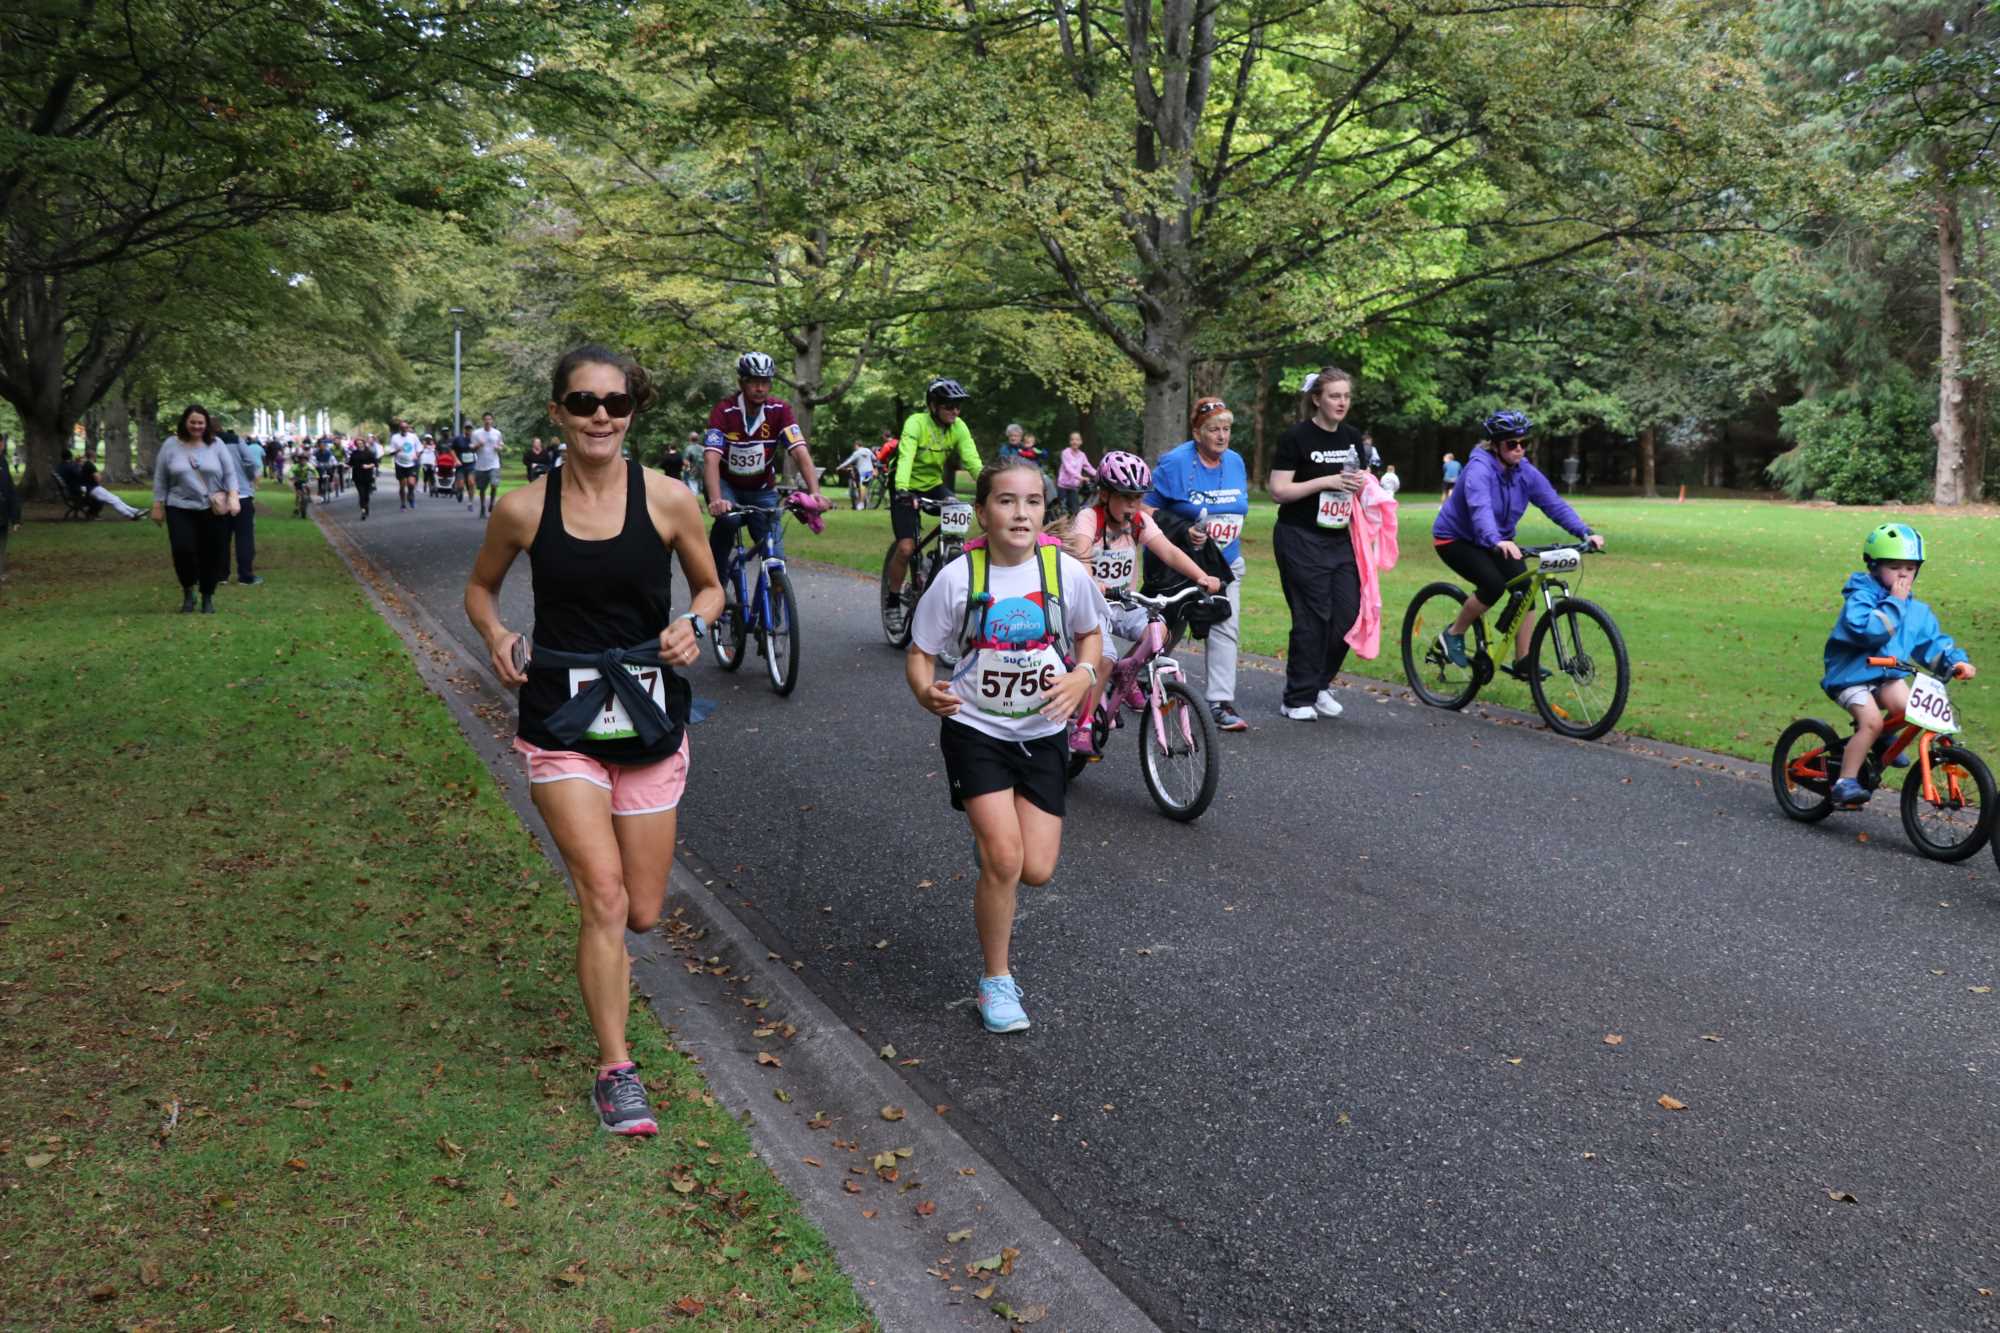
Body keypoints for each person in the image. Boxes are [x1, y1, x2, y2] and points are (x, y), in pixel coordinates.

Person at [466, 343, 724, 1137]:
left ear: (633, 412)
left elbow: (711, 588)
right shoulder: (523, 509)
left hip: (647, 713)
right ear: (558, 412)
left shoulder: (672, 500)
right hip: (561, 717)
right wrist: (499, 633)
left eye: (614, 403)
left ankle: (614, 1017)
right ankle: (617, 1070)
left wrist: (693, 624)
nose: (600, 416)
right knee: (603, 895)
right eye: (583, 402)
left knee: (643, 909)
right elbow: (481, 588)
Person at [906, 458, 1106, 1034]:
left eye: (1033, 501)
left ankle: (1000, 856)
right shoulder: (958, 577)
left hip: (1043, 733)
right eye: (1006, 501)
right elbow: (921, 651)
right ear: (983, 512)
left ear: (1045, 511)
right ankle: (996, 980)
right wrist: (926, 691)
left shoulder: (1064, 572)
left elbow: (1093, 634)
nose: (1020, 512)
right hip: (977, 730)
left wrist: (1083, 677)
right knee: (1005, 859)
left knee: (1036, 869)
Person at [1063, 450, 1220, 754]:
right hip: (1091, 605)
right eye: (1126, 497)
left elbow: (1170, 552)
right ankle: (1082, 726)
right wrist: (1093, 581)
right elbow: (1081, 554)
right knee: (1104, 658)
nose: (1135, 504)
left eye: (1139, 497)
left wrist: (1203, 576)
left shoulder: (1138, 521)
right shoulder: (1089, 518)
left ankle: (1129, 672)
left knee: (1159, 632)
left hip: (1125, 603)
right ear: (1105, 494)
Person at [1431, 410, 1603, 678]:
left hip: (1496, 540)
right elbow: (1480, 508)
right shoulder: (1479, 469)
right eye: (1512, 444)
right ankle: (1453, 634)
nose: (1519, 449)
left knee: (1525, 588)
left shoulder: (1525, 472)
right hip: (1455, 538)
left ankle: (1524, 661)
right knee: (1492, 586)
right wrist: (1496, 539)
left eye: (1524, 443)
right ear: (1495, 445)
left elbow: (1553, 504)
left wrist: (1585, 532)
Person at [1821, 523, 1976, 808]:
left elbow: (1931, 643)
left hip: (1887, 675)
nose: (1903, 574)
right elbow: (1868, 631)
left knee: (1911, 711)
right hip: (1851, 675)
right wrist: (1895, 601)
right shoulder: (1861, 597)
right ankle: (1845, 781)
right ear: (1875, 566)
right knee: (1872, 722)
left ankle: (1882, 742)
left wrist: (1955, 662)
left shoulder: (1914, 609)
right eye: (1894, 567)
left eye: (1910, 567)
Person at [1267, 368, 1374, 721]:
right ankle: (1297, 697)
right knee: (1312, 616)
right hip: (1299, 537)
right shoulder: (1297, 437)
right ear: (1317, 398)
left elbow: (1356, 484)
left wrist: (1364, 486)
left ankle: (1319, 684)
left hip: (1339, 537)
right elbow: (1278, 491)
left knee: (1348, 615)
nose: (1341, 402)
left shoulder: (1352, 436)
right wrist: (1325, 480)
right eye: (1334, 395)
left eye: (1346, 396)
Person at [1146, 396, 1253, 731]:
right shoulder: (1174, 463)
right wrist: (1182, 530)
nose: (1221, 436)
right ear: (1196, 432)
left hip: (1224, 564)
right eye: (1213, 430)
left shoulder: (1235, 462)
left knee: (1225, 625)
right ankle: (1140, 676)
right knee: (1171, 624)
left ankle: (1219, 703)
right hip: (1179, 561)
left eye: (1226, 429)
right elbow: (1145, 514)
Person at [702, 351, 825, 589]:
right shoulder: (724, 410)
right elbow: (711, 458)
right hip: (728, 486)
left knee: (775, 555)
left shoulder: (780, 410)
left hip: (762, 488)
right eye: (754, 382)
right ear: (742, 383)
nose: (760, 388)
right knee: (728, 522)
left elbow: (800, 452)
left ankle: (774, 613)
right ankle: (715, 586)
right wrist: (716, 499)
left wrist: (815, 492)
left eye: (765, 382)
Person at [887, 378, 985, 607]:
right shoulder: (916, 423)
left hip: (932, 484)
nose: (955, 411)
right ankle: (892, 599)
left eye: (958, 406)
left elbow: (972, 461)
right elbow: (906, 456)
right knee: (906, 547)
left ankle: (939, 565)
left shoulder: (958, 426)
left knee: (956, 518)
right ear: (933, 406)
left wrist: (991, 485)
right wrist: (902, 488)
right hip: (905, 485)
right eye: (949, 406)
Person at [151, 403, 244, 614]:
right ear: (185, 422)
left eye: (201, 422)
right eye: (193, 422)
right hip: (179, 507)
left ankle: (208, 596)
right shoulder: (170, 445)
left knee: (211, 553)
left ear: (207, 424)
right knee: (183, 550)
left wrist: (234, 497)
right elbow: (160, 477)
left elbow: (230, 474)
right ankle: (188, 590)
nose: (197, 426)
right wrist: (158, 504)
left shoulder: (217, 444)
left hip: (211, 508)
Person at [223, 431, 264, 584]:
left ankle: (221, 575)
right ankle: (245, 575)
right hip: (242, 494)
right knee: (244, 537)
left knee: (220, 538)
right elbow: (250, 462)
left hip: (218, 498)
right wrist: (248, 477)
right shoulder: (236, 440)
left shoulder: (208, 443)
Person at [74, 456, 147, 521]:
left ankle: (135, 512)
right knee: (113, 500)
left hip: (93, 488)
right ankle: (131, 515)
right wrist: (98, 475)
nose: (83, 461)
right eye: (82, 460)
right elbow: (98, 478)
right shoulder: (88, 465)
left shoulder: (84, 466)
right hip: (93, 488)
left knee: (116, 498)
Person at [1056, 432, 1095, 516]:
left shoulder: (1082, 455)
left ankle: (1073, 528)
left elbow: (1088, 467)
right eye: (1072, 439)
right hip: (1063, 486)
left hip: (1073, 487)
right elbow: (1068, 468)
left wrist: (1099, 474)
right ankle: (1060, 527)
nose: (1075, 442)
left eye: (1077, 440)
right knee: (1063, 511)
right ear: (1070, 442)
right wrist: (1081, 477)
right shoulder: (1065, 453)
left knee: (1075, 511)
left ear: (1081, 442)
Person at [390, 420, 421, 509]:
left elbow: (419, 449)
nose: (404, 429)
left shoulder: (413, 437)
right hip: (400, 464)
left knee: (411, 484)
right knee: (402, 485)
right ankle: (403, 503)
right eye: (402, 428)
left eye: (406, 427)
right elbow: (391, 452)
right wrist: (397, 450)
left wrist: (417, 456)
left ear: (408, 428)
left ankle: (411, 495)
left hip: (411, 464)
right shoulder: (395, 438)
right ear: (400, 429)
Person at [0, 441, 20, 582]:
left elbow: (10, 490)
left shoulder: (3, 462)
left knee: (2, 542)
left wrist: (15, 517)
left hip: (2, 510)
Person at [836, 440, 875, 509]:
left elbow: (848, 461)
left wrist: (839, 467)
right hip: (870, 471)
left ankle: (861, 504)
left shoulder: (857, 453)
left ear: (856, 445)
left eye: (854, 446)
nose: (854, 447)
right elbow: (874, 458)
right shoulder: (868, 450)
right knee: (865, 487)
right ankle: (865, 503)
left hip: (863, 471)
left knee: (862, 487)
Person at [349, 436, 380, 519]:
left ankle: (366, 507)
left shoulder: (369, 452)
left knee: (366, 495)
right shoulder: (354, 453)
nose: (359, 445)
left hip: (367, 476)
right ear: (356, 445)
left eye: (361, 443)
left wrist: (368, 466)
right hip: (357, 476)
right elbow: (350, 463)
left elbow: (375, 463)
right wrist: (346, 466)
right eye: (358, 444)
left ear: (363, 443)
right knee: (361, 494)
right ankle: (363, 510)